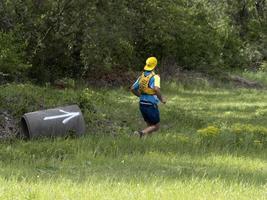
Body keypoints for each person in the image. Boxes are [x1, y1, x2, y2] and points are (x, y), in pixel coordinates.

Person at [130, 57, 166, 138]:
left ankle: (148, 141)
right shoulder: (155, 77)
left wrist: (140, 95)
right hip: (151, 104)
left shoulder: (141, 77)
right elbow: (156, 89)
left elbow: (132, 88)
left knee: (149, 125)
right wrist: (162, 99)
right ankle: (140, 133)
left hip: (142, 104)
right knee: (156, 126)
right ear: (155, 66)